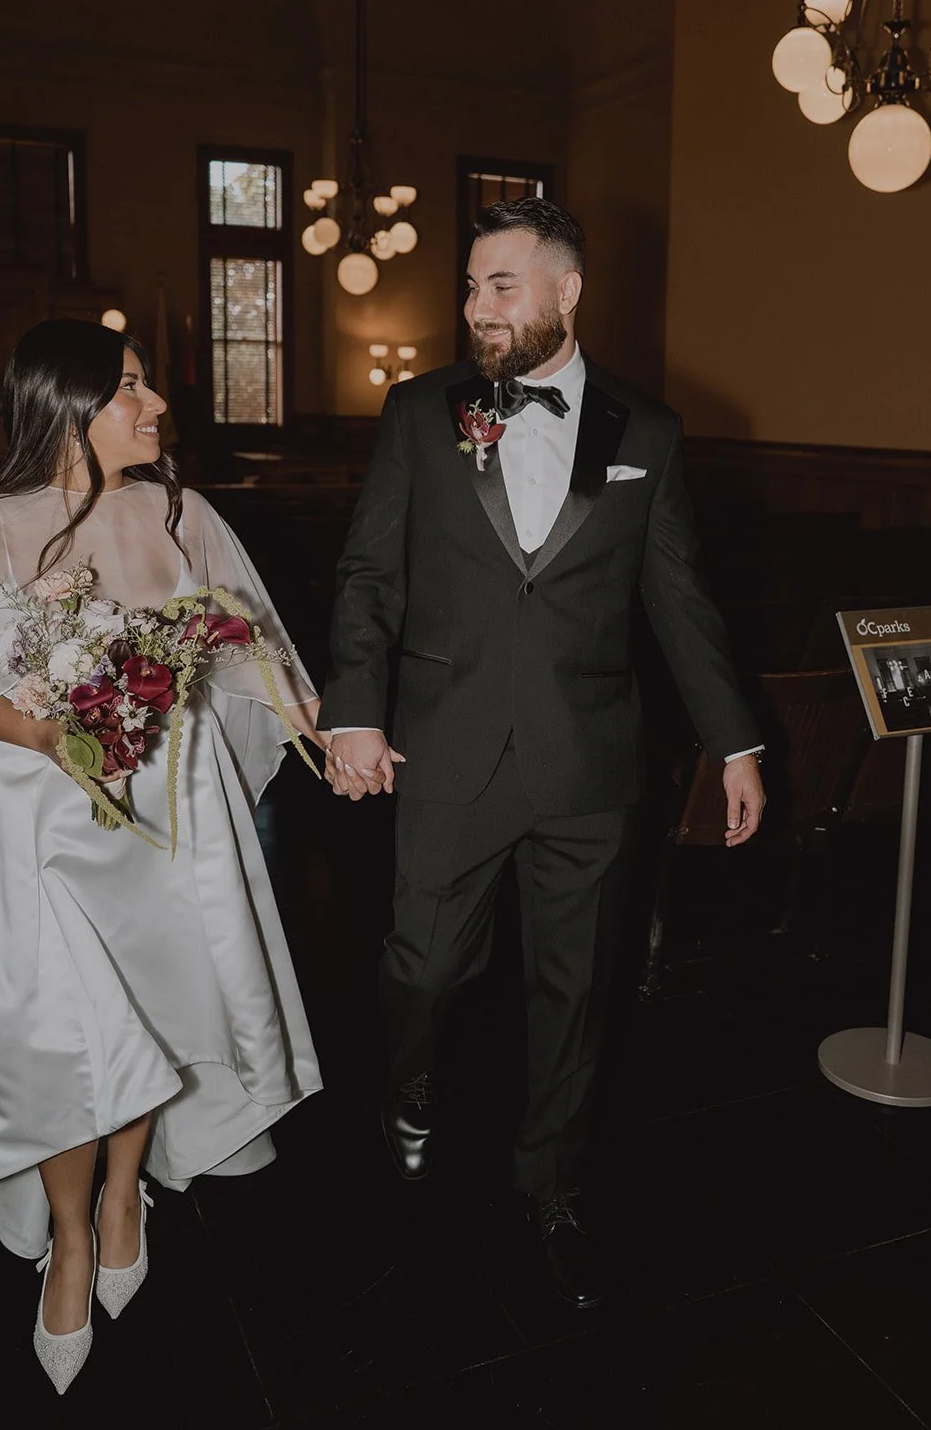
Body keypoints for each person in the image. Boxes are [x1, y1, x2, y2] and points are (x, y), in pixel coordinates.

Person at [318, 198, 765, 1309]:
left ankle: (548, 1177)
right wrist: (353, 711)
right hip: (445, 749)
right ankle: (409, 1078)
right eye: (469, 286)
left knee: (578, 986)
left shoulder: (646, 433)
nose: (474, 307)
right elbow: (370, 573)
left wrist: (734, 742)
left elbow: (679, 600)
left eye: (498, 285)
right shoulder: (421, 413)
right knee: (422, 968)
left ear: (564, 292)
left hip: (588, 767)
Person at [0, 319, 324, 1393]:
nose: (156, 405)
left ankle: (126, 1189)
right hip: (36, 826)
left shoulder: (184, 514)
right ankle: (69, 1232)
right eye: (129, 389)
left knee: (153, 1010)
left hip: (169, 816)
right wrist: (56, 731)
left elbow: (251, 644)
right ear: (63, 404)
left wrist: (322, 728)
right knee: (63, 1029)